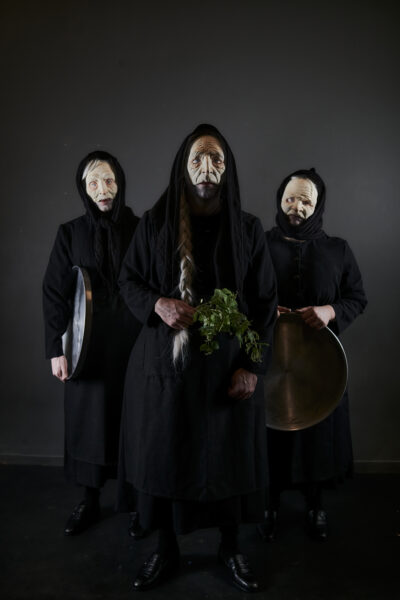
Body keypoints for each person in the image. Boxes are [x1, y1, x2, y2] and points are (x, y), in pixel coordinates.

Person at [117, 124, 277, 592]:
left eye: (216, 159)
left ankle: (231, 547)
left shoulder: (248, 228)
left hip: (228, 366)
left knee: (230, 458)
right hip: (167, 367)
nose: (207, 169)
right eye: (197, 160)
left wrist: (253, 366)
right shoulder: (155, 222)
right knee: (166, 455)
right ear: (183, 168)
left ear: (228, 168)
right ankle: (166, 548)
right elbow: (129, 281)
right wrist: (157, 304)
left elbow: (265, 303)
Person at [258, 168, 367, 543]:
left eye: (305, 200)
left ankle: (315, 504)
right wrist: (264, 312)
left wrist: (330, 311)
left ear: (318, 205)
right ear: (280, 200)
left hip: (322, 364)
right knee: (271, 432)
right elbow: (241, 293)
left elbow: (356, 297)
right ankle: (269, 504)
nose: (296, 207)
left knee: (319, 434)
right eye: (289, 198)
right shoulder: (260, 244)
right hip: (270, 360)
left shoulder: (338, 249)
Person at [43, 151, 141, 535]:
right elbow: (54, 292)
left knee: (132, 422)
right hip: (85, 349)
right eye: (94, 182)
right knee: (89, 424)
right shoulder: (70, 233)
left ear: (120, 183)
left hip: (133, 347)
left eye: (110, 180)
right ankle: (90, 500)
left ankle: (135, 503)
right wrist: (55, 349)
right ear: (84, 189)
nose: (104, 189)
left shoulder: (139, 228)